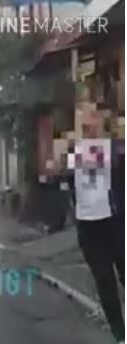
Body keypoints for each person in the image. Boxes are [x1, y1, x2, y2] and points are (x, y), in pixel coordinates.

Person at [62, 136, 124, 344]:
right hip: (89, 229)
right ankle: (120, 334)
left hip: (115, 223)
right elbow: (63, 181)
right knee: (105, 281)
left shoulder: (116, 147)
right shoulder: (72, 151)